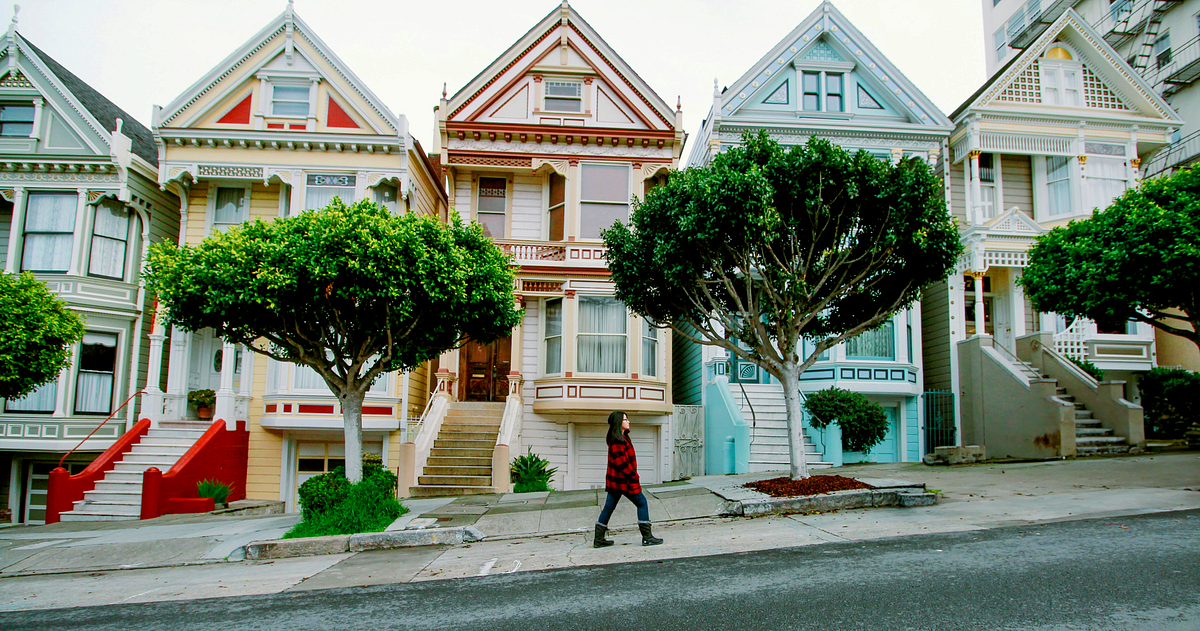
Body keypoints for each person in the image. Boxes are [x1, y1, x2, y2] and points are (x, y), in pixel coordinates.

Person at [594, 410, 663, 548]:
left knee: (609, 507)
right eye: (625, 420)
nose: (628, 421)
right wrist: (634, 476)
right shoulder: (617, 441)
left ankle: (598, 539)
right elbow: (621, 463)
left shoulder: (621, 438)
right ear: (619, 422)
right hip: (624, 481)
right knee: (642, 502)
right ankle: (647, 537)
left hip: (617, 482)